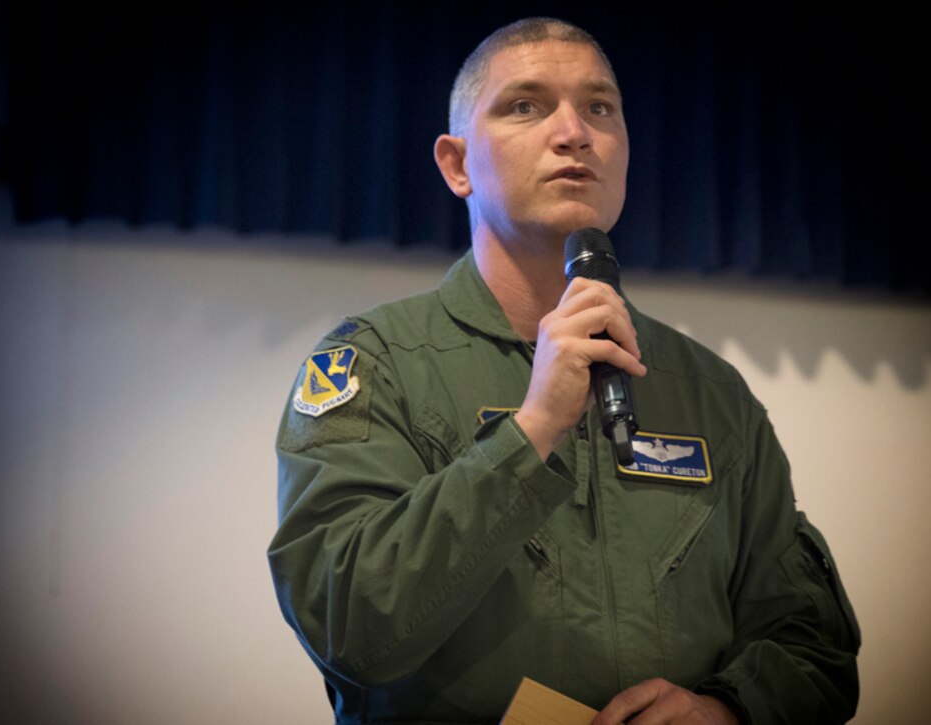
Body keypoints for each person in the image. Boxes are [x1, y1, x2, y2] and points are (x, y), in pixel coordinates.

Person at [268, 17, 859, 724]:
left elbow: (812, 642)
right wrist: (534, 428)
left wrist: (729, 711)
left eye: (600, 108)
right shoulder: (376, 364)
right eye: (526, 105)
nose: (574, 131)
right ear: (457, 165)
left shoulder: (712, 391)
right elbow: (348, 627)